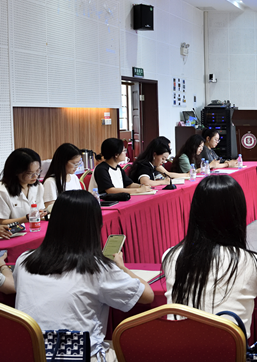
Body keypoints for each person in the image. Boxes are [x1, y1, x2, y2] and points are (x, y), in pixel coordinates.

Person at [14, 190, 154, 362]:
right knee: (131, 350)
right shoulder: (97, 269)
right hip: (77, 356)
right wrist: (122, 267)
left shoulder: (23, 260)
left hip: (28, 353)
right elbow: (147, 295)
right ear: (95, 226)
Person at [162, 175, 257, 361]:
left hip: (181, 355)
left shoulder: (170, 256)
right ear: (237, 214)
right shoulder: (254, 263)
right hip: (230, 355)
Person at [0, 148, 45, 225]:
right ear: (16, 172)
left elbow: (40, 210)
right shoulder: (3, 191)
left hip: (34, 228)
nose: (35, 176)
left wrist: (41, 213)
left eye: (37, 171)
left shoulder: (38, 187)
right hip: (13, 231)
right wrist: (26, 218)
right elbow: (2, 222)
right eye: (29, 173)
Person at [43, 143, 84, 209]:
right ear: (63, 162)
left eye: (78, 163)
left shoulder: (74, 177)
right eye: (74, 163)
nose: (77, 166)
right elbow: (50, 208)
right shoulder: (50, 182)